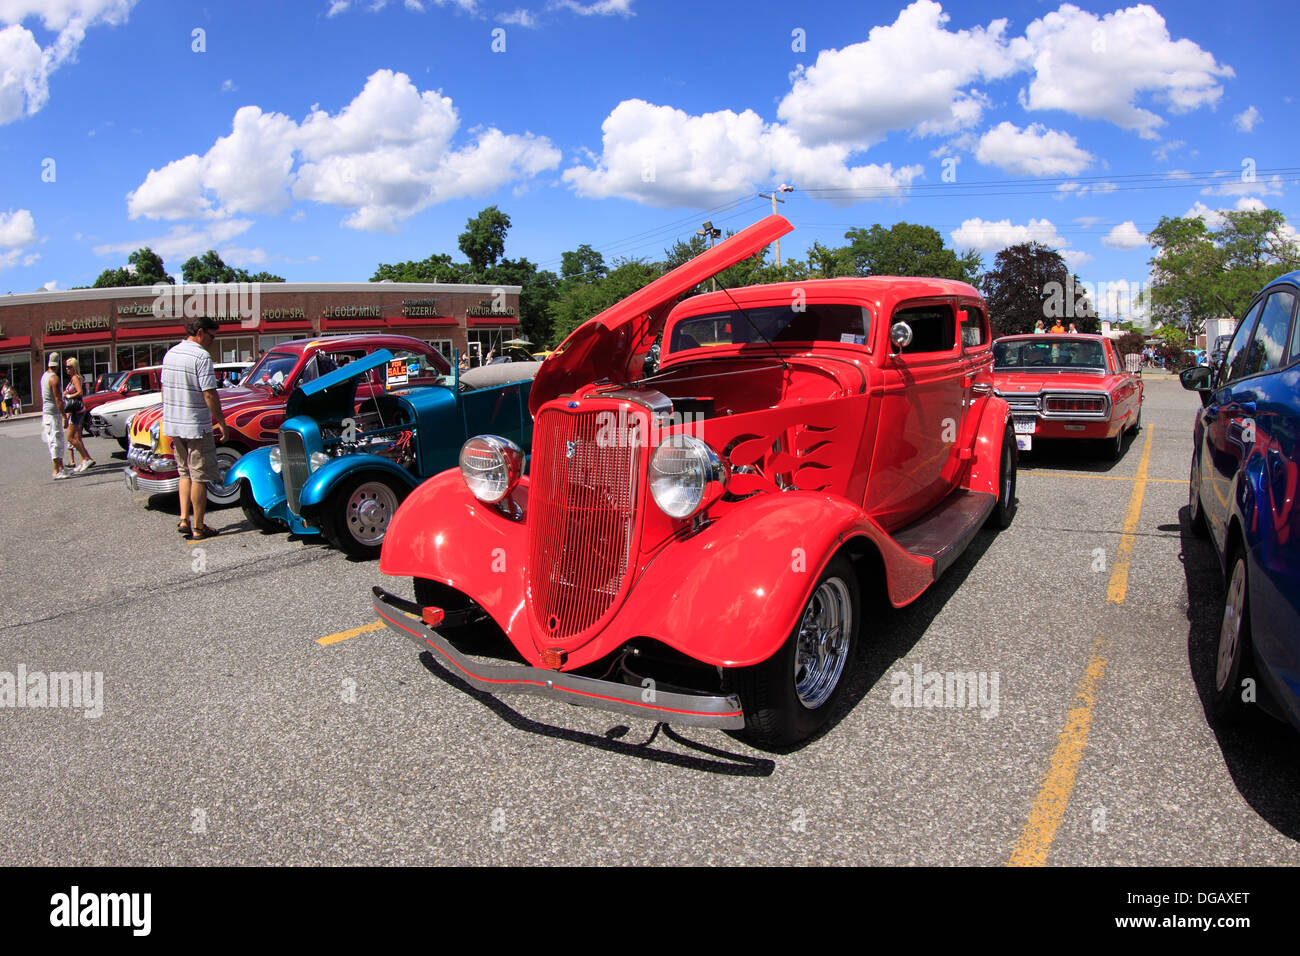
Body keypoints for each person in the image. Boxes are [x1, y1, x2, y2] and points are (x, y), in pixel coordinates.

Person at [162, 317, 228, 540]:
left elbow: (164, 389)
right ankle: (199, 527)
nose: (212, 340)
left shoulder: (170, 354)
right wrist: (221, 421)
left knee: (183, 472)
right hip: (196, 425)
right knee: (199, 476)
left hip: (173, 423)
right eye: (211, 336)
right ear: (199, 332)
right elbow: (209, 393)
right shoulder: (201, 356)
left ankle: (184, 518)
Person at [62, 357, 95, 472]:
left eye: (68, 367)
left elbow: (80, 392)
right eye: (66, 367)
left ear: (74, 367)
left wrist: (69, 396)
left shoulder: (75, 378)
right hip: (76, 410)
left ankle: (86, 459)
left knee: (70, 437)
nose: (66, 369)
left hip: (77, 410)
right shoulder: (73, 378)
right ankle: (85, 460)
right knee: (77, 437)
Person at [40, 354, 68, 479]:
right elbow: (58, 399)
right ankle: (56, 470)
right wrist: (64, 416)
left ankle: (61, 467)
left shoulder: (44, 376)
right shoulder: (54, 378)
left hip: (48, 412)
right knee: (56, 441)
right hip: (53, 413)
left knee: (57, 440)